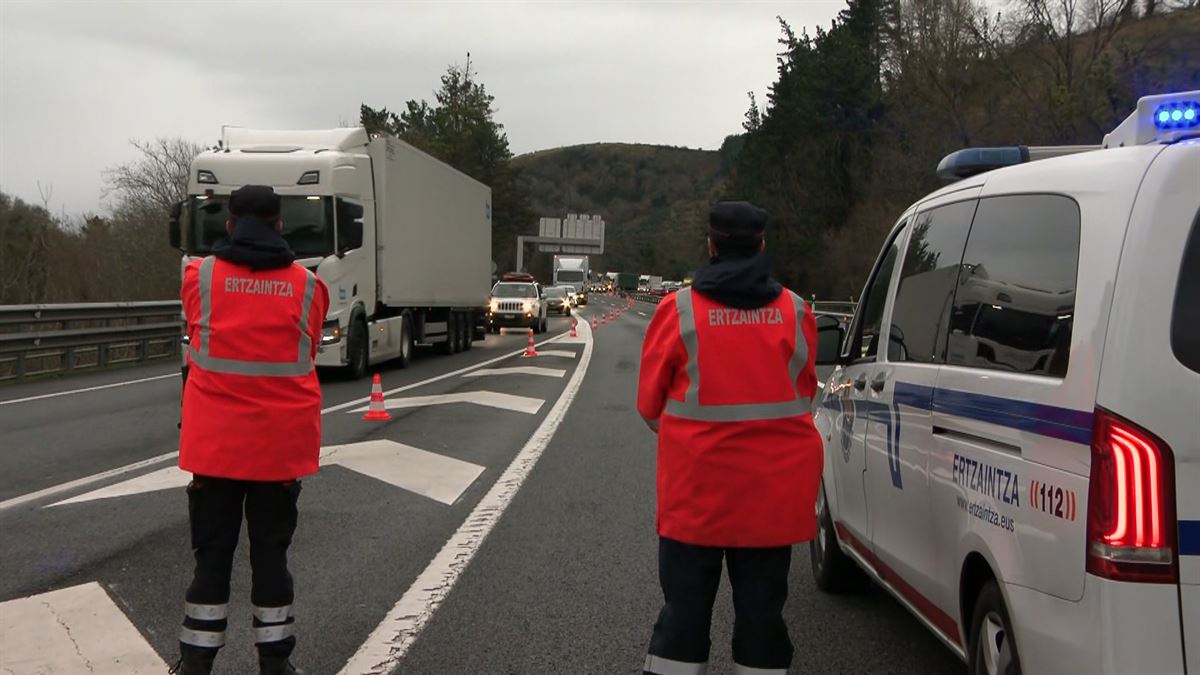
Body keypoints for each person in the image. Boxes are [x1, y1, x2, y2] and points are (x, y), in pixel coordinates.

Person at [637, 201, 822, 675]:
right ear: (762, 245)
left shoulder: (677, 311)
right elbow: (802, 395)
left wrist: (693, 437)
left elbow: (648, 405)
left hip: (694, 501)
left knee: (683, 618)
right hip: (771, 502)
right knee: (762, 619)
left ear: (710, 245)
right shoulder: (796, 312)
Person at [172, 185, 329, 675]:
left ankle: (196, 664)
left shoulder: (199, 277)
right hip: (279, 449)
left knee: (211, 556)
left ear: (229, 224)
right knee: (271, 557)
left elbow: (198, 333)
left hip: (215, 447)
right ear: (281, 225)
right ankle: (275, 664)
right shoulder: (308, 286)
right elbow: (309, 352)